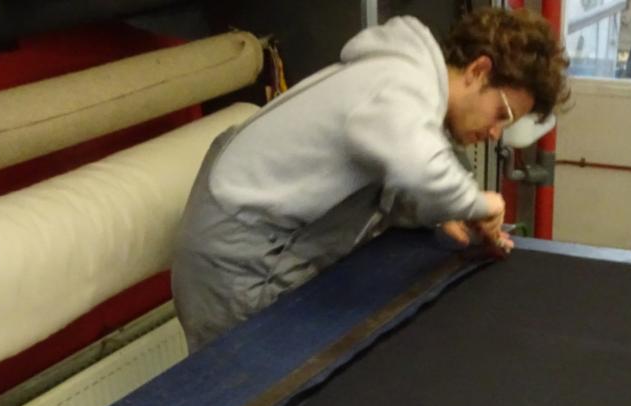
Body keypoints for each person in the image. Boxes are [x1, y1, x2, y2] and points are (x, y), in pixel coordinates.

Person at [171, 8, 569, 351]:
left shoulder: (408, 87)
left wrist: (439, 210)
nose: (496, 133)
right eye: (501, 114)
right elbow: (416, 167)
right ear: (478, 71)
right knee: (249, 396)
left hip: (260, 238)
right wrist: (480, 203)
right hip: (238, 256)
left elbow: (387, 178)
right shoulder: (403, 83)